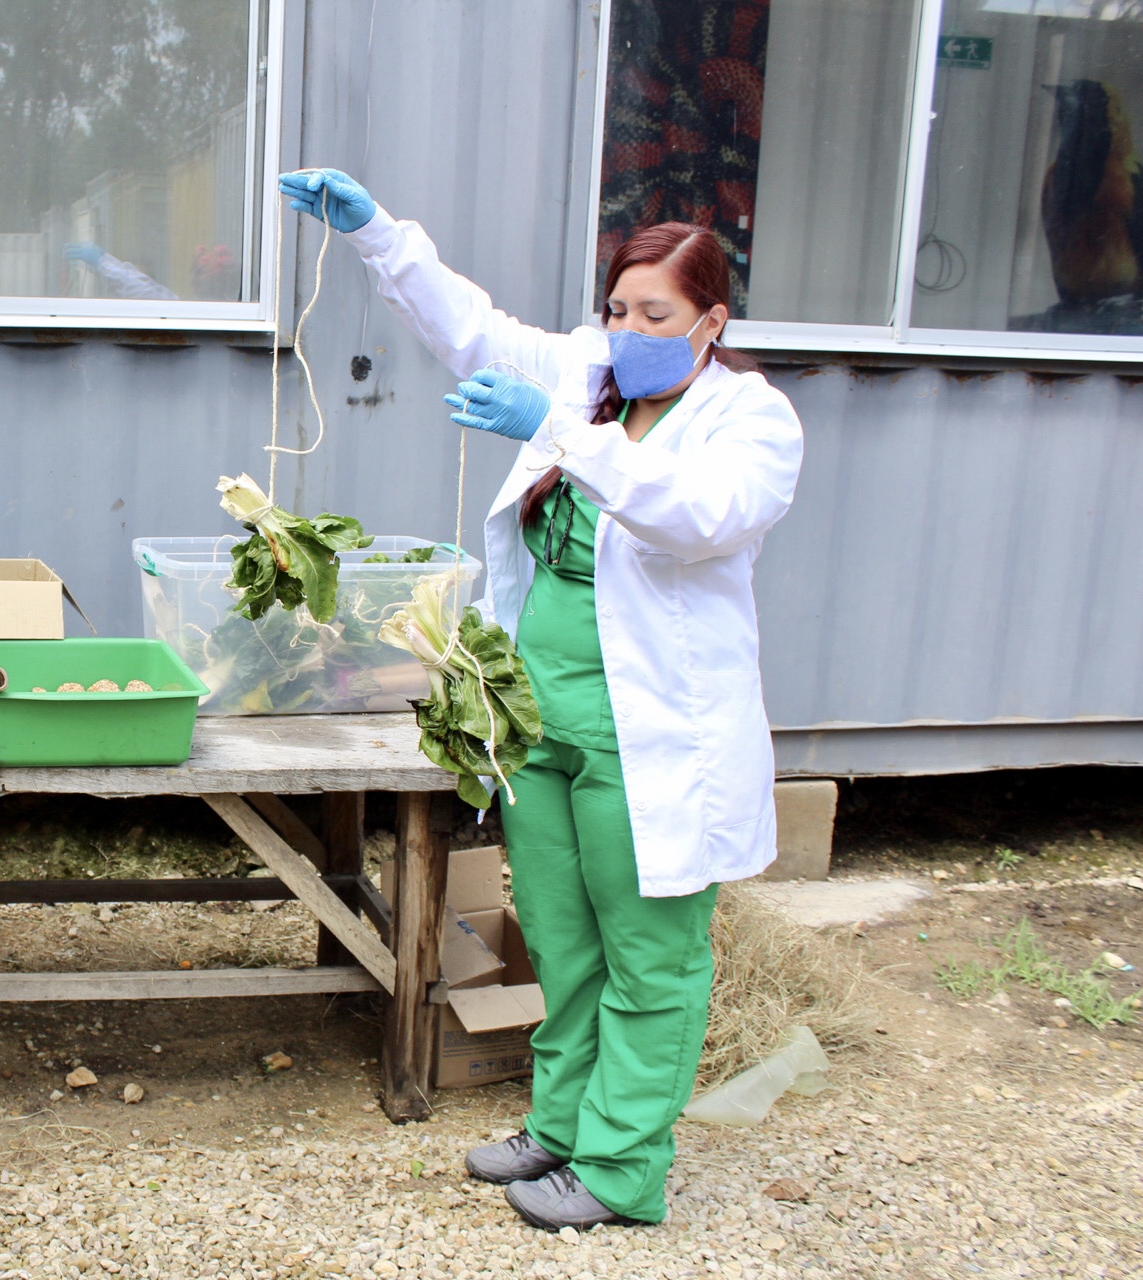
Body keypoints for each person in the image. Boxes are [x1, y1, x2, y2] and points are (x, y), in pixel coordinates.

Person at [279, 168, 803, 1231]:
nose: (625, 329)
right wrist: (379, 233)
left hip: (649, 735)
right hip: (543, 722)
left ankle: (621, 1165)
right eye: (616, 307)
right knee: (562, 941)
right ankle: (560, 1126)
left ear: (711, 322)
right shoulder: (592, 375)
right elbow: (471, 327)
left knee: (649, 955)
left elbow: (699, 517)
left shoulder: (750, 423)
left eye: (654, 313)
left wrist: (564, 436)